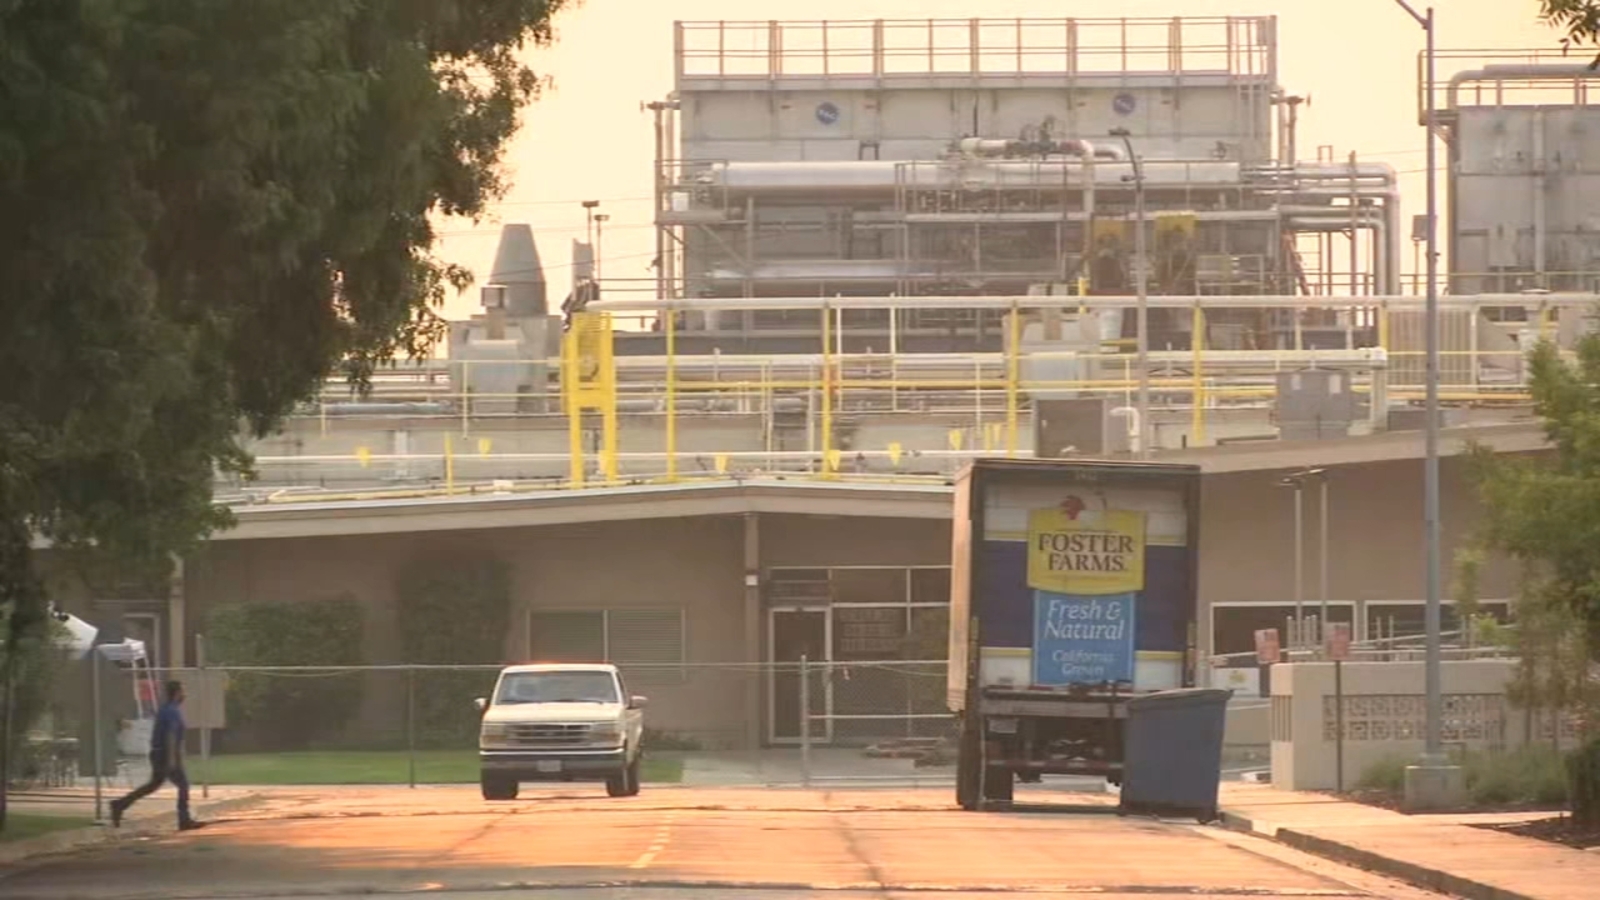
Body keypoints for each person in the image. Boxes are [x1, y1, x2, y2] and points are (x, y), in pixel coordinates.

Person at [109, 680, 205, 831]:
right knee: (183, 785)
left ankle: (120, 804)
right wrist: (172, 759)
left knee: (153, 785)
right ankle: (184, 819)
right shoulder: (172, 711)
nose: (185, 695)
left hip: (159, 752)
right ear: (177, 693)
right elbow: (171, 735)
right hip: (165, 753)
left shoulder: (165, 709)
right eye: (183, 691)